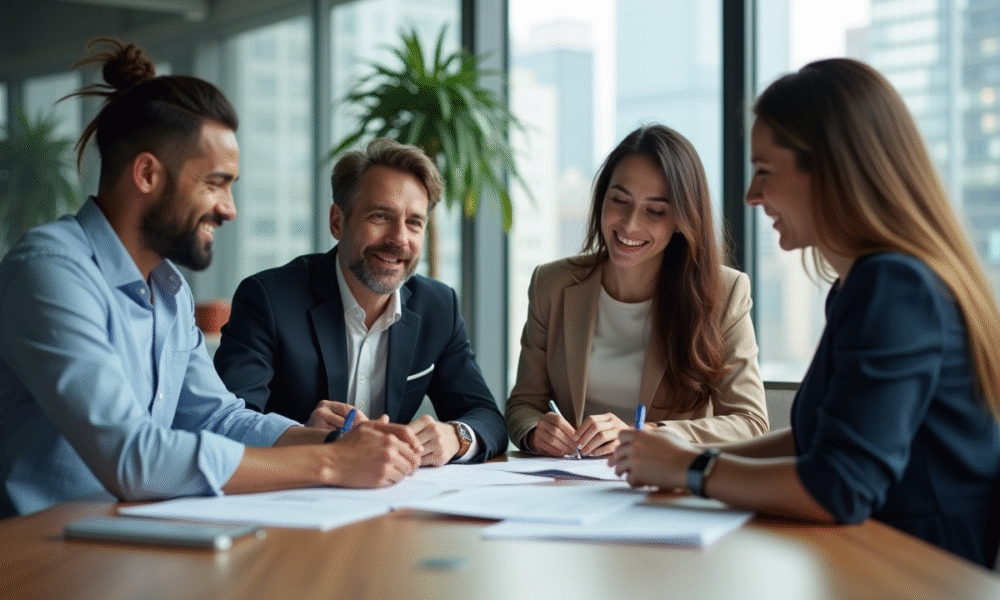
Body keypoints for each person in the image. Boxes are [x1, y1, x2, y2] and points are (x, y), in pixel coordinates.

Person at [0, 39, 424, 518]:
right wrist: (331, 461)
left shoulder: (170, 291)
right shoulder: (50, 274)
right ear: (146, 174)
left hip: (129, 545)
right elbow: (133, 460)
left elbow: (215, 416)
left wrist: (340, 439)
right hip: (38, 559)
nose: (229, 209)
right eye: (215, 184)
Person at [610, 58, 1000, 568]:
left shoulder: (894, 287)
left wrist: (692, 468)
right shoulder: (863, 285)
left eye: (764, 172)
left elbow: (839, 485)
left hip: (914, 573)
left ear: (834, 172)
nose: (751, 196)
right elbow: (826, 440)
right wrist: (673, 456)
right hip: (869, 561)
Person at [213, 139, 507, 465]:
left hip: (389, 500)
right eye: (380, 216)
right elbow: (224, 423)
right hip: (289, 497)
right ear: (338, 222)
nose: (399, 239)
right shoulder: (267, 299)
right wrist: (302, 436)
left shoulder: (438, 306)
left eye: (414, 222)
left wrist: (456, 436)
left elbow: (487, 417)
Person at [506, 124, 768, 458]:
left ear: (682, 218)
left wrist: (643, 434)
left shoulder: (724, 292)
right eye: (620, 200)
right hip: (571, 484)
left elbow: (750, 422)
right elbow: (523, 404)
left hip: (666, 488)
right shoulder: (551, 284)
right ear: (602, 198)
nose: (630, 225)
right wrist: (534, 431)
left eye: (655, 210)